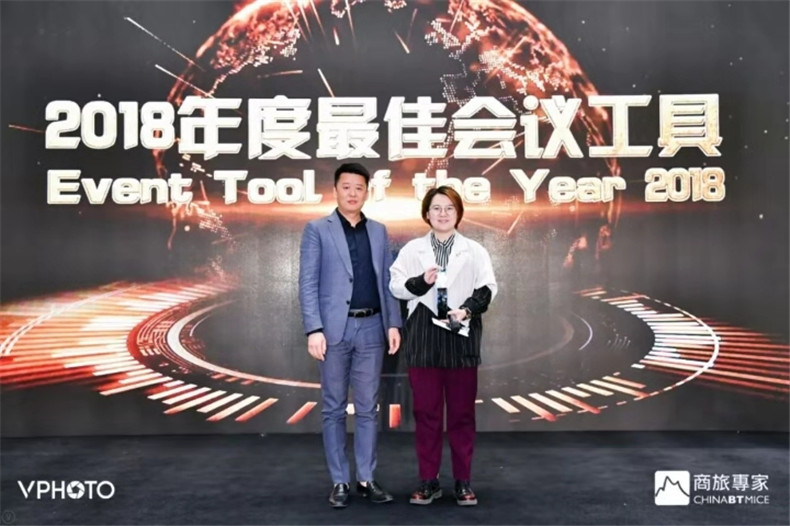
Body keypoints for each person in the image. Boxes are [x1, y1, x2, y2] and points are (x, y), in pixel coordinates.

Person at [298, 162, 402, 508]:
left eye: (359, 187)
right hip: (333, 331)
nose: (353, 193)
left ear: (367, 192)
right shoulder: (317, 229)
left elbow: (387, 281)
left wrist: (393, 323)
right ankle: (339, 481)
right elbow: (308, 283)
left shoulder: (379, 231)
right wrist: (314, 328)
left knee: (369, 408)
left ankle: (366, 478)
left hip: (372, 327)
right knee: (333, 408)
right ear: (335, 190)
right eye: (346, 187)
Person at [389, 186, 497, 507]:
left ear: (458, 213)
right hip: (423, 338)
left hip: (461, 335)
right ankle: (429, 481)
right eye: (436, 208)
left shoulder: (475, 250)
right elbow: (396, 285)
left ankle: (463, 481)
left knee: (462, 415)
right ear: (427, 213)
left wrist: (466, 310)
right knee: (427, 414)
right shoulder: (412, 250)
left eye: (449, 207)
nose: (443, 213)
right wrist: (421, 282)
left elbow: (488, 288)